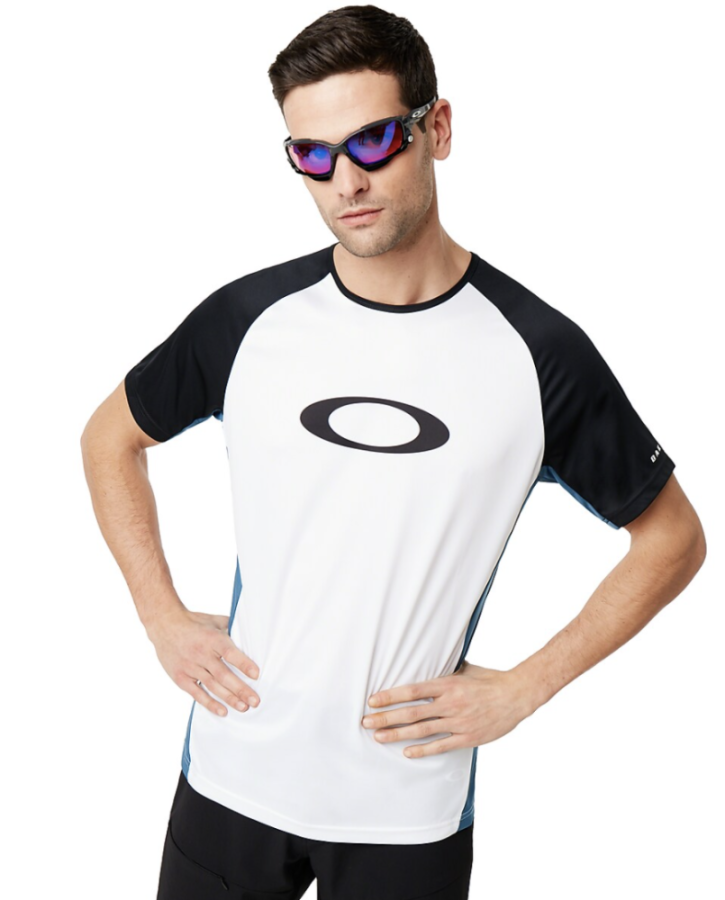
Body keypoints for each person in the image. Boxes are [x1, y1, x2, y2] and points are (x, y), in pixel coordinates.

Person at [80, 6, 706, 899]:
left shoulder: (537, 354)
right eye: (311, 155)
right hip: (231, 772)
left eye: (373, 141)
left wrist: (525, 688)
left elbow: (673, 538)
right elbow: (110, 436)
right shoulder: (249, 321)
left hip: (405, 810)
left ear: (435, 128)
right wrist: (160, 616)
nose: (346, 180)